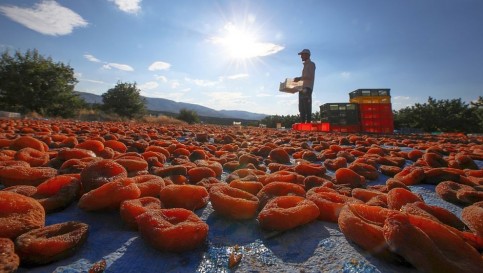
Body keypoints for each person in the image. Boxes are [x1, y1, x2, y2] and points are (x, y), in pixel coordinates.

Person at [294, 49, 316, 123]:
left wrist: (299, 78)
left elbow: (310, 76)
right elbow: (305, 77)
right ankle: (303, 123)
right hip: (302, 88)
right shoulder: (306, 65)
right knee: (301, 108)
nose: (301, 57)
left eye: (302, 55)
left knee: (307, 106)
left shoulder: (311, 64)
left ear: (307, 55)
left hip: (307, 88)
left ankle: (308, 123)